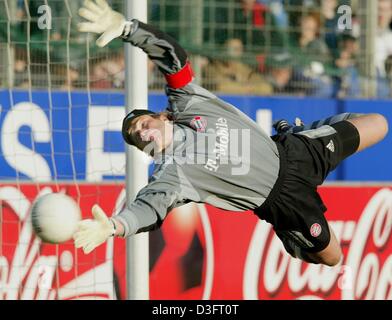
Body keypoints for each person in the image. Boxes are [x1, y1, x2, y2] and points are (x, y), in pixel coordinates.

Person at [74, 0, 389, 266]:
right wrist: (115, 226)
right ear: (145, 151)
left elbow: (172, 57)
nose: (140, 131)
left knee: (379, 123)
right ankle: (291, 237)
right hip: (282, 201)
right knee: (333, 257)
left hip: (293, 151)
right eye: (135, 137)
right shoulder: (170, 175)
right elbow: (147, 211)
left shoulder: (189, 104)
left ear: (163, 116)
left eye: (141, 123)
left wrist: (130, 29)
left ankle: (307, 131)